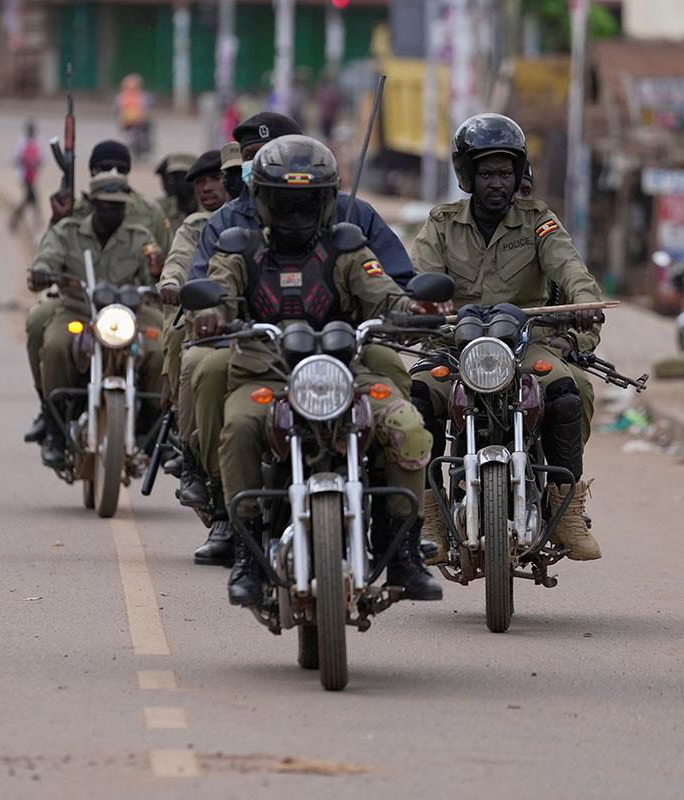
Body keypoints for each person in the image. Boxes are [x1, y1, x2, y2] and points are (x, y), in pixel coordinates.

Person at [194, 134, 442, 606]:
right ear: (262, 202)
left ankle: (403, 551)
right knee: (240, 427)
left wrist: (413, 309)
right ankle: (247, 553)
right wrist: (211, 313)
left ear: (327, 202)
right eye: (284, 203)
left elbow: (384, 293)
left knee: (408, 425)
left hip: (344, 372)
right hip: (264, 374)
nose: (296, 213)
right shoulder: (238, 249)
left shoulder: (348, 249)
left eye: (307, 202)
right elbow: (218, 289)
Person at [410, 113, 603, 563]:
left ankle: (566, 507)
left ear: (518, 175)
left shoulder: (539, 221)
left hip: (523, 344)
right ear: (467, 175)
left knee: (566, 394)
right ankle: (431, 515)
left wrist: (584, 300)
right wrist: (418, 306)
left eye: (504, 173)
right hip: (453, 343)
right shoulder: (440, 223)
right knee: (417, 396)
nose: (496, 183)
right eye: (486, 173)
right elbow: (417, 277)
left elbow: (570, 267)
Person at [25, 140, 171, 444]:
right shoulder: (67, 230)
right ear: (92, 203)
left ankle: (154, 424)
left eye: (118, 206)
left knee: (160, 351)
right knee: (53, 346)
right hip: (79, 309)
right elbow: (47, 257)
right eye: (105, 205)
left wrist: (160, 275)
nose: (112, 212)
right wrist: (42, 273)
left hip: (132, 312)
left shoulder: (141, 235)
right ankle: (55, 421)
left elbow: (155, 276)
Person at [187, 112, 415, 288]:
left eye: (270, 154)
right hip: (253, 341)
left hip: (343, 338)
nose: (259, 163)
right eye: (250, 157)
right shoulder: (224, 222)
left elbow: (399, 281)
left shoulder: (353, 213)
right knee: (200, 352)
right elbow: (203, 290)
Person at [156, 150, 231, 564]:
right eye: (199, 182)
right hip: (218, 329)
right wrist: (170, 282)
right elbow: (181, 265)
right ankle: (193, 460)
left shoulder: (282, 218)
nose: (208, 187)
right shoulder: (198, 226)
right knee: (183, 336)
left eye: (218, 178)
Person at [9, 120, 42, 232]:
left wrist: (35, 163)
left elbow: (41, 159)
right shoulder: (22, 143)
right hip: (23, 175)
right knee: (32, 197)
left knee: (29, 198)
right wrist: (26, 162)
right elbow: (15, 159)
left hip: (32, 175)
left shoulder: (36, 142)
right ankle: (35, 221)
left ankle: (15, 220)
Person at [155, 153, 199, 235]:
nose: (172, 182)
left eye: (181, 176)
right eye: (172, 177)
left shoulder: (211, 209)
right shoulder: (160, 211)